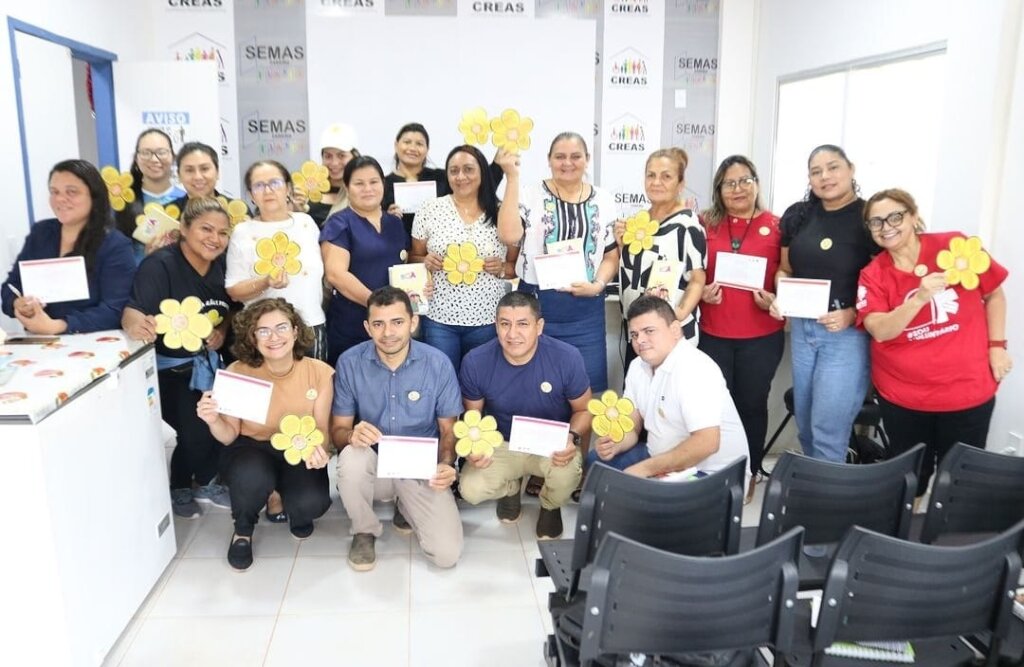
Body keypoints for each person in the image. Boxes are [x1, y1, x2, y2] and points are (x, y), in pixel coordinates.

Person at [856, 188, 1011, 497]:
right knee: (909, 481)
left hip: (967, 392)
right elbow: (880, 330)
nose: (886, 227)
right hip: (904, 399)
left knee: (961, 481)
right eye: (876, 222)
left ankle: (949, 529)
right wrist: (919, 299)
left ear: (914, 217)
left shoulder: (955, 247)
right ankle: (905, 527)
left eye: (895, 217)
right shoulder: (873, 275)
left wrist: (997, 346)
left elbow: (994, 294)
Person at [330, 286, 463, 571]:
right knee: (351, 457)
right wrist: (351, 435)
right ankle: (364, 529)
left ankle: (406, 503)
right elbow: (338, 430)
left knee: (446, 555)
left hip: (420, 467)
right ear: (367, 327)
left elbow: (448, 430)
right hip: (375, 464)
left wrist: (446, 463)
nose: (388, 333)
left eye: (397, 322)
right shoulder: (350, 363)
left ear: (413, 323)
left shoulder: (438, 364)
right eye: (378, 324)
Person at [196, 298, 333, 571]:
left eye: (282, 327)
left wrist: (321, 453)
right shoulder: (238, 372)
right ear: (252, 337)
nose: (274, 337)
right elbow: (228, 436)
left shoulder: (320, 373)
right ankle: (243, 530)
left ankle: (280, 495)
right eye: (263, 331)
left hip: (297, 447)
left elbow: (321, 430)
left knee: (311, 504)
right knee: (251, 476)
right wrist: (212, 420)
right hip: (251, 447)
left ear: (295, 331)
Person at [122, 197, 233, 519]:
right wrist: (135, 324)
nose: (214, 239)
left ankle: (197, 481)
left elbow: (228, 310)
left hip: (208, 365)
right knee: (194, 430)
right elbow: (133, 309)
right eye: (206, 229)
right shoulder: (160, 265)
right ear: (184, 228)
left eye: (222, 233)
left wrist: (221, 332)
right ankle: (187, 484)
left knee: (213, 425)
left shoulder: (222, 266)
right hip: (169, 370)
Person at [773, 144, 876, 462]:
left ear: (851, 169)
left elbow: (885, 285)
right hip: (803, 329)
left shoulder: (870, 218)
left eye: (833, 167)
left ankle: (828, 492)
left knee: (828, 429)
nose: (825, 177)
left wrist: (853, 314)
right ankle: (816, 484)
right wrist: (782, 296)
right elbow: (785, 269)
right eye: (816, 172)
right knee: (805, 423)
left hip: (845, 333)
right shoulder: (799, 215)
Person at [458, 292, 589, 539]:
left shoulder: (567, 357)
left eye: (522, 324)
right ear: (495, 325)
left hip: (550, 444)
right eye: (505, 324)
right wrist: (472, 449)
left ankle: (550, 505)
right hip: (501, 442)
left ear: (539, 326)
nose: (512, 334)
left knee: (567, 475)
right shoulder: (475, 361)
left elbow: (583, 409)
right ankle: (510, 488)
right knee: (470, 489)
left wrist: (571, 436)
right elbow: (471, 417)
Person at [497, 131, 618, 394]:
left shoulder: (604, 200)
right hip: (536, 307)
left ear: (587, 159)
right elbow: (508, 236)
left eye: (576, 156)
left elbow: (611, 255)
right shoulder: (528, 194)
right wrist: (512, 177)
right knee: (535, 390)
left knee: (586, 392)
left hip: (586, 311)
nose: (567, 163)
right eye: (560, 157)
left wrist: (598, 285)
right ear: (549, 160)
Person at [589, 295, 748, 484]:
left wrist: (644, 469)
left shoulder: (695, 368)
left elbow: (707, 443)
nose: (640, 340)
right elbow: (633, 425)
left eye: (649, 331)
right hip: (661, 458)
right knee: (596, 462)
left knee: (634, 490)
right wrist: (616, 444)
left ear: (675, 330)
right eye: (634, 334)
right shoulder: (637, 366)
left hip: (711, 474)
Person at [698, 156, 784, 501]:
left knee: (752, 405)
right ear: (719, 189)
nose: (738, 189)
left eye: (745, 180)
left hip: (761, 336)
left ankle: (751, 471)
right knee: (715, 406)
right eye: (729, 183)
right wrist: (700, 293)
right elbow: (691, 272)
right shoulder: (704, 223)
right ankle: (716, 472)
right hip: (713, 334)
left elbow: (788, 273)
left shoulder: (777, 226)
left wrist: (776, 297)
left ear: (757, 183)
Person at [410, 145, 517, 374]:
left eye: (468, 169)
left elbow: (515, 266)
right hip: (439, 318)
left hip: (488, 318)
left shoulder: (501, 211)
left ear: (482, 172)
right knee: (442, 381)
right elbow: (414, 257)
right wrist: (425, 261)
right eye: (454, 170)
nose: (461, 177)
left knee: (481, 382)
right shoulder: (430, 209)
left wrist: (501, 268)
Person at [2, 159, 136, 334]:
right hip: (40, 341)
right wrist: (17, 303)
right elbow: (11, 285)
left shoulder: (115, 245)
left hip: (94, 342)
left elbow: (114, 310)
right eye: (54, 192)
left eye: (71, 192)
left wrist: (58, 326)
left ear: (94, 196)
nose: (60, 199)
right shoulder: (41, 233)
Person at [226, 160, 327, 360]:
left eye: (275, 183)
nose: (268, 190)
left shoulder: (306, 223)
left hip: (310, 324)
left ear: (288, 187)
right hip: (264, 334)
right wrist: (265, 282)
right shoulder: (242, 232)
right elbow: (234, 290)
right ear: (251, 195)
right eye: (259, 185)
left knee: (312, 380)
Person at [615, 148, 705, 367]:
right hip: (637, 332)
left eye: (666, 176)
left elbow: (697, 279)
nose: (656, 182)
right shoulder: (637, 223)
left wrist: (678, 314)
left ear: (680, 184)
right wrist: (621, 245)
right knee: (637, 387)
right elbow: (633, 270)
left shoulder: (688, 225)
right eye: (651, 175)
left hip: (670, 336)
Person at [320, 156, 409, 366]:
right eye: (359, 183)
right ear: (347, 187)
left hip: (392, 327)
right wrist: (377, 304)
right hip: (351, 324)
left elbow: (405, 269)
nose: (367, 189)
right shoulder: (339, 223)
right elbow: (335, 274)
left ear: (383, 184)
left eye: (373, 182)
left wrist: (418, 289)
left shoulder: (394, 223)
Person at [115, 128, 186, 261]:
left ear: (173, 156)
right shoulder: (122, 200)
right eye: (146, 153)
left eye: (161, 152)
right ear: (136, 158)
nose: (154, 159)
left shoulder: (187, 200)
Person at [306, 122, 360, 228]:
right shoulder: (309, 191)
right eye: (328, 156)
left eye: (341, 156)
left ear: (355, 156)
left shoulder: (365, 191)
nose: (334, 163)